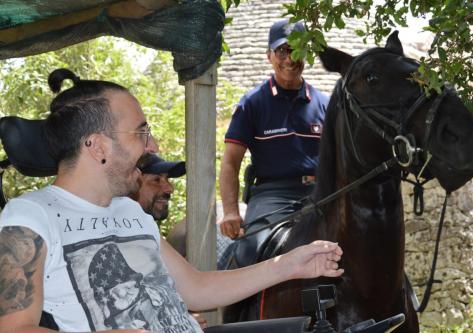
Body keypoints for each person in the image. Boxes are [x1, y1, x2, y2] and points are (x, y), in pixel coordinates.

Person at [0, 68, 344, 333]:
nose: (152, 147)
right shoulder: (31, 215)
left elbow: (196, 288)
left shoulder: (129, 212)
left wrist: (290, 264)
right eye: (141, 132)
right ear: (98, 146)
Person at [219, 19, 330, 266]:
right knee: (250, 251)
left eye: (298, 50)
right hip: (272, 195)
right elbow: (229, 163)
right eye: (283, 51)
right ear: (269, 55)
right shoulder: (252, 103)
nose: (290, 59)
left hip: (320, 194)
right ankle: (240, 306)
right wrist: (230, 211)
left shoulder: (325, 104)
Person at [129, 154, 207, 329]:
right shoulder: (121, 240)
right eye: (156, 179)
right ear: (132, 182)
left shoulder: (147, 233)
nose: (169, 188)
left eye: (167, 180)